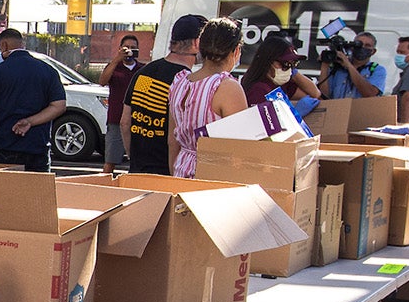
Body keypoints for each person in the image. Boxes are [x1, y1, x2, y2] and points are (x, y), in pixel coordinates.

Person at [0, 27, 67, 173]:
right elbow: (59, 106)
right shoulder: (48, 71)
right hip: (38, 148)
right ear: (22, 45)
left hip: (4, 146)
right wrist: (30, 121)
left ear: (3, 46)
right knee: (37, 194)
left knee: (4, 194)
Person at [123, 14, 205, 176]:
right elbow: (175, 138)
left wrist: (135, 160)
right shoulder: (185, 82)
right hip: (165, 174)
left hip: (136, 172)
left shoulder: (142, 73)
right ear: (196, 43)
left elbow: (125, 122)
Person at [168, 17, 247, 179]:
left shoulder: (179, 82)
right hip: (213, 178)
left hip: (181, 171)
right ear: (236, 51)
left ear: (199, 47)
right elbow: (242, 147)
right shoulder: (227, 87)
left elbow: (172, 139)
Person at [239, 32, 320, 112]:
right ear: (268, 61)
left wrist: (293, 72)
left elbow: (315, 94)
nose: (288, 68)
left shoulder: (279, 84)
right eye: (285, 63)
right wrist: (295, 113)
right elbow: (263, 123)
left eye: (293, 63)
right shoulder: (257, 90)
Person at [100, 34, 140, 176]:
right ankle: (102, 188)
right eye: (126, 48)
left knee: (137, 161)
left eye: (133, 48)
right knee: (110, 160)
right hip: (116, 119)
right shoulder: (114, 67)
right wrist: (117, 59)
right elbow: (103, 81)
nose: (129, 51)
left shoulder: (141, 69)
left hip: (137, 121)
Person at [321, 35, 387, 98]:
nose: (362, 47)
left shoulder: (377, 70)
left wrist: (349, 66)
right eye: (359, 44)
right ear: (352, 47)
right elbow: (324, 95)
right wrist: (325, 65)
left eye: (367, 46)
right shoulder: (337, 68)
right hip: (338, 108)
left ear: (373, 51)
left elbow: (370, 94)